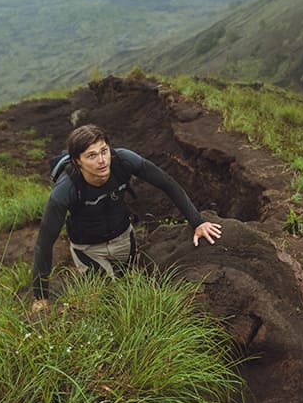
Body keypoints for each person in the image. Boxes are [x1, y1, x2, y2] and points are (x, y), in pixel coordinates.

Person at [30, 124, 221, 311]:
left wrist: (198, 222)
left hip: (123, 238)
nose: (102, 160)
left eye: (104, 151)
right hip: (88, 249)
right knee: (108, 299)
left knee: (133, 286)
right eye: (92, 155)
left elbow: (168, 184)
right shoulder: (65, 190)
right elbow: (44, 243)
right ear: (77, 161)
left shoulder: (124, 161)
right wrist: (40, 297)